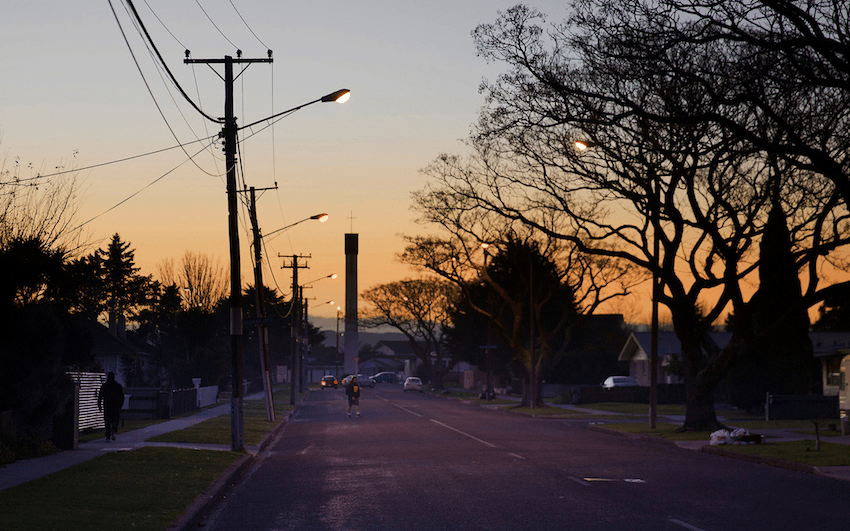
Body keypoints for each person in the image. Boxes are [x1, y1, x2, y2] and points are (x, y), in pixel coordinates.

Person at [98, 372, 125, 441]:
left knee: (107, 421)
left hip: (107, 406)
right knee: (115, 420)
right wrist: (120, 405)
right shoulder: (118, 386)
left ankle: (107, 436)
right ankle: (113, 430)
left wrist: (99, 405)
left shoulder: (105, 386)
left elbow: (100, 396)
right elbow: (122, 397)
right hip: (115, 406)